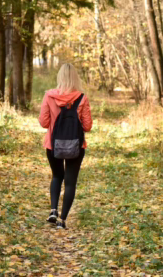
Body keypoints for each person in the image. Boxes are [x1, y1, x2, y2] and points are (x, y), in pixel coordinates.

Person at [38, 63, 93, 229]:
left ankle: (53, 210)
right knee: (70, 182)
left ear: (60, 77)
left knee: (56, 176)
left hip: (53, 145)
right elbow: (87, 126)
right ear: (75, 78)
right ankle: (62, 221)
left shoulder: (49, 96)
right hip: (76, 146)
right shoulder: (82, 98)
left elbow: (43, 122)